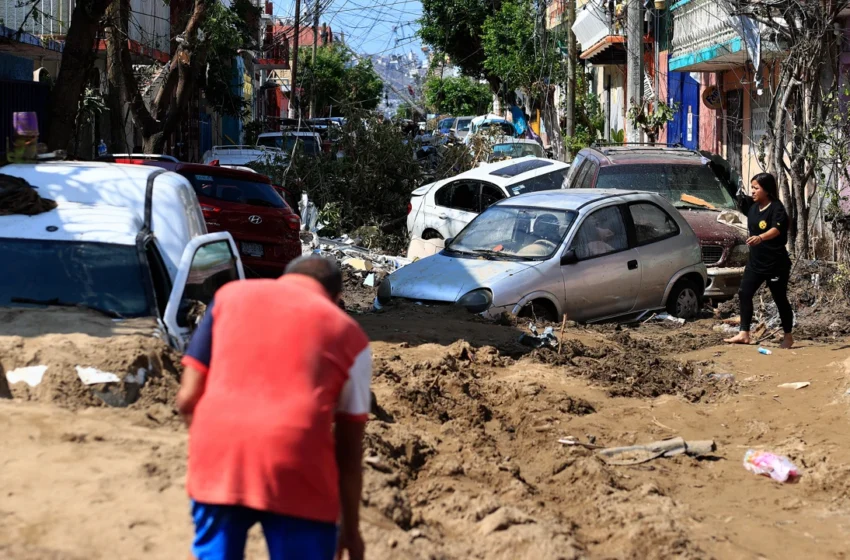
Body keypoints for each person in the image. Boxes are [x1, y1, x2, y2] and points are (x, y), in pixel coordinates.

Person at [176, 255, 372, 560]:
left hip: (219, 452)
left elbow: (188, 397)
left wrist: (213, 450)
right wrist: (351, 529)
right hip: (296, 463)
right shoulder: (351, 336)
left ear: (284, 277)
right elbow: (349, 452)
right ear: (335, 298)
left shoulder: (228, 297)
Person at [725, 172, 794, 349]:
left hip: (775, 264)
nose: (753, 191)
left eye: (756, 188)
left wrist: (761, 237)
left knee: (779, 298)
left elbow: (776, 230)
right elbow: (735, 194)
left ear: (767, 190)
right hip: (756, 262)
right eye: (752, 187)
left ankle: (788, 336)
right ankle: (744, 333)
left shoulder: (777, 209)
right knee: (744, 293)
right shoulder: (753, 207)